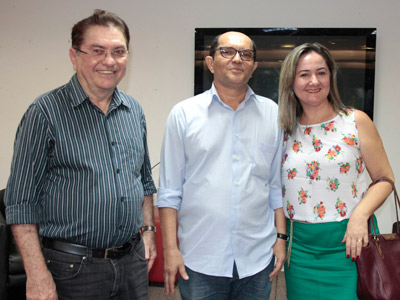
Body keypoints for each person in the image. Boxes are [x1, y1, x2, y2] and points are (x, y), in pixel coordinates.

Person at [4, 10, 157, 300]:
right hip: (73, 270)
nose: (109, 61)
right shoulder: (44, 113)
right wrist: (37, 275)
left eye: (118, 51)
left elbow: (144, 179)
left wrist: (148, 231)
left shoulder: (134, 110)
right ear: (74, 57)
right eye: (97, 51)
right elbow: (20, 202)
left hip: (132, 262)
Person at [157, 31, 286, 300]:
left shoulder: (273, 114)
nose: (237, 59)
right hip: (201, 257)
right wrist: (171, 249)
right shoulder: (184, 114)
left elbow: (275, 186)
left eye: (246, 54)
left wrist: (281, 239)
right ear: (211, 62)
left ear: (254, 67)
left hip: (256, 258)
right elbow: (170, 191)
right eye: (227, 51)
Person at [279, 42, 394, 300]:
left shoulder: (356, 121)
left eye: (321, 72)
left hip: (350, 245)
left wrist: (360, 215)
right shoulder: (284, 129)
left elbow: (385, 179)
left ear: (331, 76)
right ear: (291, 81)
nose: (314, 81)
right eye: (304, 74)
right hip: (300, 251)